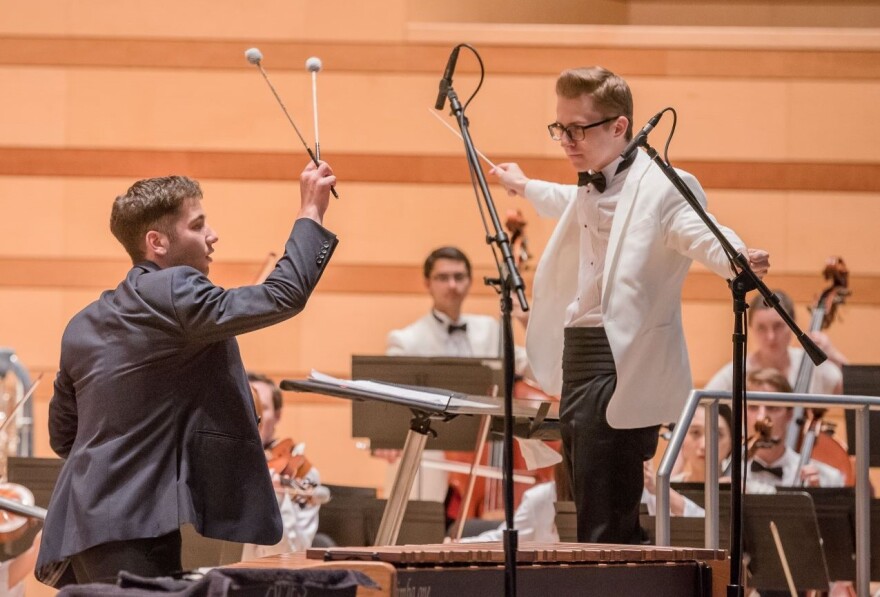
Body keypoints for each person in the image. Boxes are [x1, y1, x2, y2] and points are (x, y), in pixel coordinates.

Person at [491, 65, 770, 544]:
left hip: (619, 362)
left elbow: (698, 228)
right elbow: (566, 202)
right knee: (586, 507)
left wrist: (736, 256)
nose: (566, 140)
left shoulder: (662, 186)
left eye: (577, 128)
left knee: (606, 521)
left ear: (619, 127)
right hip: (576, 359)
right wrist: (522, 185)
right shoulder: (589, 183)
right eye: (560, 128)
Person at [35, 160, 338, 587]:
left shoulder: (83, 323)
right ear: (156, 241)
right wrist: (311, 212)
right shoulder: (174, 289)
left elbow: (64, 437)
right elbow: (281, 295)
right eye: (198, 225)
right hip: (140, 521)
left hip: (81, 526)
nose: (212, 236)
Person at [380, 246, 529, 506]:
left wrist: (528, 322)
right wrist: (387, 436)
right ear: (428, 283)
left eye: (459, 277)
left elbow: (533, 367)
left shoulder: (490, 330)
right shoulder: (407, 340)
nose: (452, 285)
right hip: (432, 454)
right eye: (443, 277)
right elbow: (389, 401)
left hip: (481, 449)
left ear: (470, 281)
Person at [240, 372, 322, 560]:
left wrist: (274, 502)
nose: (253, 417)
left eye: (263, 408)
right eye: (247, 406)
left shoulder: (301, 473)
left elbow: (291, 556)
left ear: (277, 415)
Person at [705, 290, 844, 395]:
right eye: (761, 328)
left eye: (778, 326)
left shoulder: (809, 363)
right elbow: (703, 407)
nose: (770, 337)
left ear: (793, 325)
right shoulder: (735, 373)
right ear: (751, 329)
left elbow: (853, 389)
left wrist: (833, 354)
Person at [744, 368, 844, 491]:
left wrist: (819, 497)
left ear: (789, 414)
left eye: (772, 407)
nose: (761, 416)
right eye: (753, 407)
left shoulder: (828, 479)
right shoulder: (723, 472)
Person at [642, 404, 733, 517]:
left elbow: (720, 529)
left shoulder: (743, 489)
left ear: (731, 443)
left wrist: (661, 491)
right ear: (681, 438)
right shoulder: (663, 485)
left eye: (717, 434)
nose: (704, 445)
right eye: (695, 433)